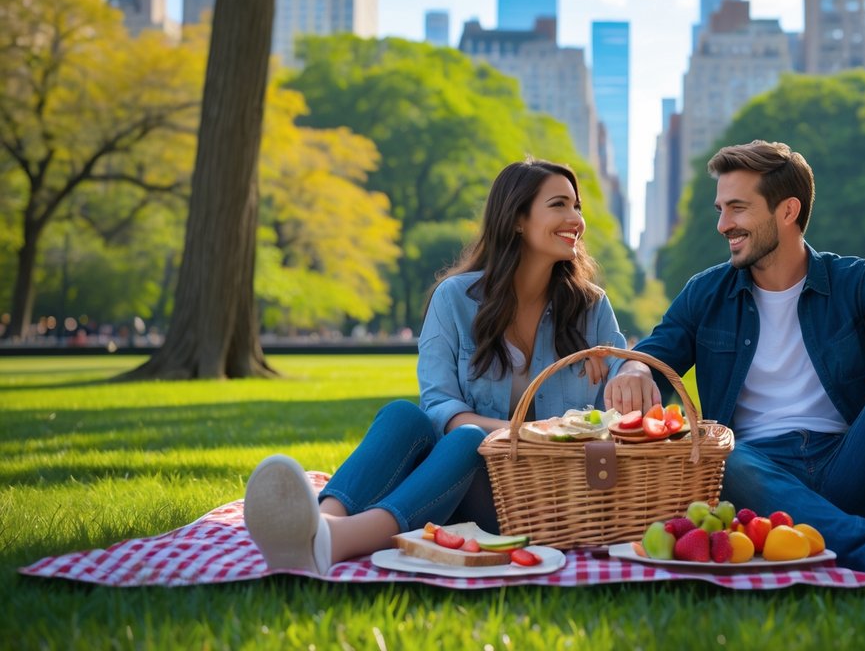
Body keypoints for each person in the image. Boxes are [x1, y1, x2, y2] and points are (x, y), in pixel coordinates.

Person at [605, 140, 865, 581]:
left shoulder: (851, 280)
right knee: (723, 454)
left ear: (787, 211)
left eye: (738, 208)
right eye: (720, 209)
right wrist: (634, 367)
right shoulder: (706, 293)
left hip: (848, 462)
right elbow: (652, 352)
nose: (723, 224)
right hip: (756, 475)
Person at [243, 158, 628, 574]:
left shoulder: (591, 309)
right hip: (456, 482)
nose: (576, 219)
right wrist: (522, 432)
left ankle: (337, 541)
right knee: (404, 416)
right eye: (560, 205)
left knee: (466, 438)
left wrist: (630, 377)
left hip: (539, 497)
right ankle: (321, 522)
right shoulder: (455, 299)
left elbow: (624, 399)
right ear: (517, 219)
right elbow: (439, 405)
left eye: (578, 207)